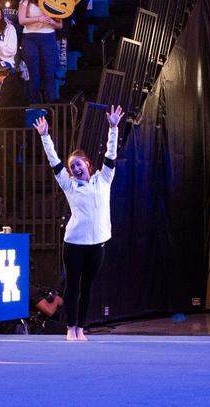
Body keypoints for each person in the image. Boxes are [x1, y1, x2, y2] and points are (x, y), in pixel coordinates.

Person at [33, 104, 123, 341]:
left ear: (88, 165)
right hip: (73, 244)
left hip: (97, 244)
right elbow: (54, 162)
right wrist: (45, 136)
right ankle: (70, 328)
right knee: (72, 287)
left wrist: (113, 128)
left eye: (78, 164)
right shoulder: (69, 184)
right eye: (72, 167)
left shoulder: (104, 180)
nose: (74, 168)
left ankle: (81, 327)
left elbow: (111, 155)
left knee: (87, 288)